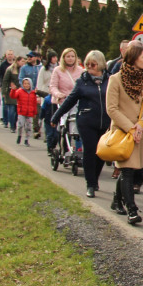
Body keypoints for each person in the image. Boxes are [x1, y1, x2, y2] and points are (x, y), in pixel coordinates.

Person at [107, 43, 143, 225]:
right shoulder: (116, 79)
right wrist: (130, 127)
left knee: (132, 169)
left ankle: (116, 199)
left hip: (139, 132)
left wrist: (141, 125)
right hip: (122, 132)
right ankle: (132, 210)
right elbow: (112, 109)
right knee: (126, 170)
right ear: (134, 58)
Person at [50, 51, 111, 198]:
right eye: (87, 64)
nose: (89, 67)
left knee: (101, 153)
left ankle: (95, 178)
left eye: (93, 64)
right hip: (86, 120)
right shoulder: (82, 81)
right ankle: (90, 184)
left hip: (104, 122)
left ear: (101, 64)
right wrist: (55, 117)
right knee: (89, 150)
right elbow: (70, 100)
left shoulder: (110, 80)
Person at [10, 77, 39, 146]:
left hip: (30, 113)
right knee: (20, 125)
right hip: (21, 112)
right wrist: (13, 90)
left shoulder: (33, 93)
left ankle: (26, 139)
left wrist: (35, 113)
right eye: (25, 84)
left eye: (28, 84)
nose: (26, 85)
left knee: (28, 127)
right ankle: (19, 135)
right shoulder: (20, 91)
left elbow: (34, 104)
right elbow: (13, 96)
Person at [1, 57, 25, 132]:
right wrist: (4, 92)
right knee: (11, 109)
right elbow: (5, 81)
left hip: (19, 92)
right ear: (17, 61)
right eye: (22, 61)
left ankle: (15, 123)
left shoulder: (23, 69)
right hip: (11, 91)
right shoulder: (10, 69)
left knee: (17, 110)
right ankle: (12, 126)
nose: (23, 63)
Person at [0, 50, 16, 126]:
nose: (10, 56)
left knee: (13, 105)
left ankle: (12, 120)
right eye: (8, 54)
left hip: (14, 87)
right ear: (6, 55)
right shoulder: (2, 65)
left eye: (11, 54)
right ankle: (5, 120)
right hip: (4, 86)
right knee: (5, 104)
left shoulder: (15, 65)